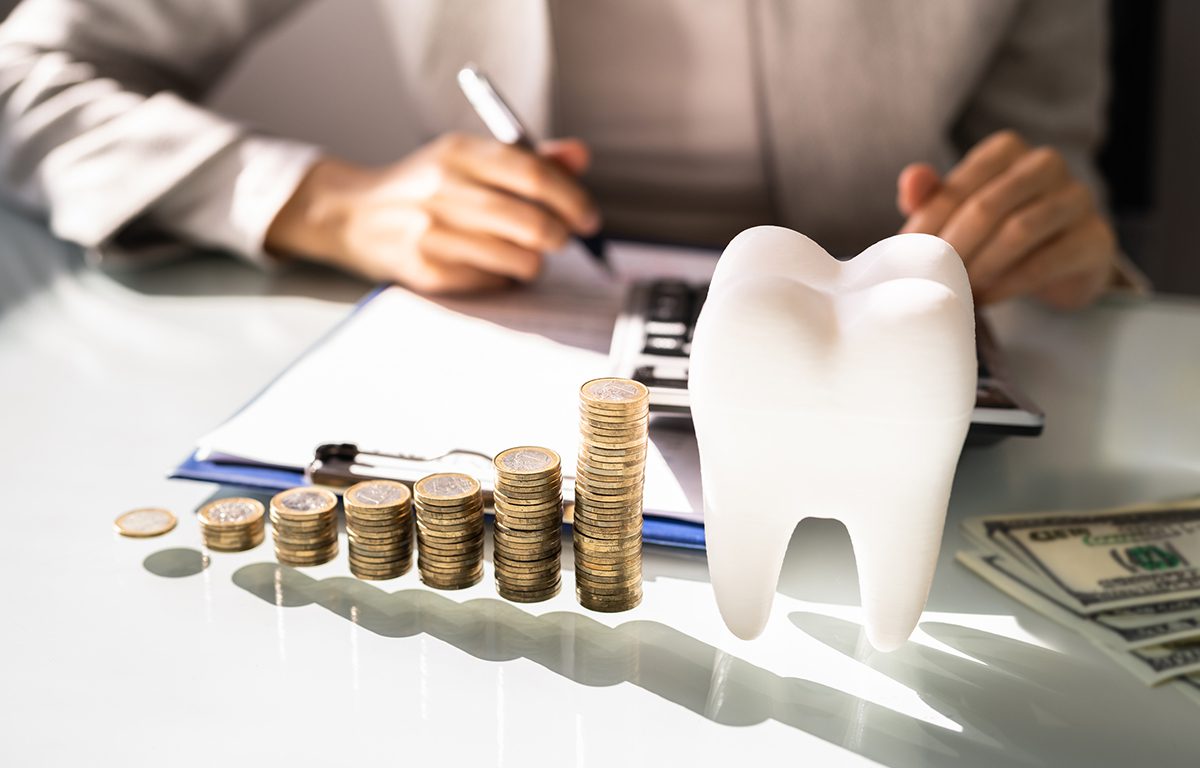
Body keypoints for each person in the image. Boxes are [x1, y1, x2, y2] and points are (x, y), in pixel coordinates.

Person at [0, 0, 1128, 306]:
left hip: (897, 389)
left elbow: (1051, 177)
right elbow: (20, 78)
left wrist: (1060, 244)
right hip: (523, 335)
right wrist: (323, 203)